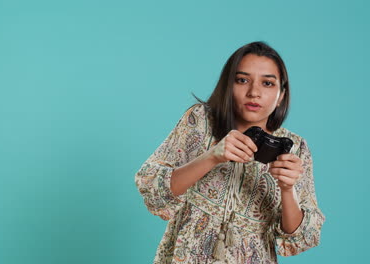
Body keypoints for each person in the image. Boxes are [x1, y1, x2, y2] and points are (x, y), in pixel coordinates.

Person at [134, 41, 325, 264]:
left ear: (281, 94)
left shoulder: (295, 147)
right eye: (242, 80)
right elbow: (153, 187)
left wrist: (288, 188)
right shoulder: (200, 121)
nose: (254, 92)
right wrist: (213, 156)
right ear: (228, 85)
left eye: (267, 83)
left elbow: (299, 237)